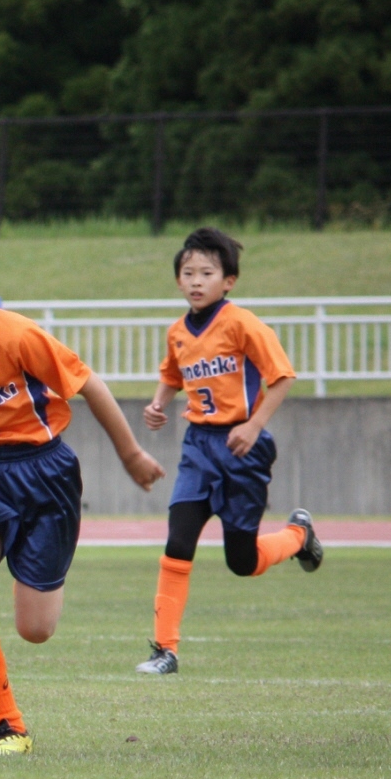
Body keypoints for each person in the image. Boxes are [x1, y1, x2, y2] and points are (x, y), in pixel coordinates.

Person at [0, 211, 165, 755]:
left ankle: (44, 569)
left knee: (35, 630)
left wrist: (131, 452)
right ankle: (10, 729)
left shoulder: (15, 335)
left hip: (44, 475)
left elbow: (89, 384)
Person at [137, 227, 323, 675]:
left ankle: (299, 536)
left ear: (229, 281)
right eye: (188, 272)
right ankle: (165, 650)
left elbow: (282, 376)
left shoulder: (242, 323)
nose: (196, 280)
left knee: (242, 562)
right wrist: (159, 403)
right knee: (178, 541)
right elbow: (173, 373)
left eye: (207, 272)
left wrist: (254, 424)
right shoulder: (178, 332)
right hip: (198, 447)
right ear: (178, 281)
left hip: (243, 450)